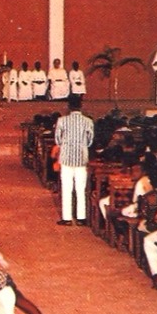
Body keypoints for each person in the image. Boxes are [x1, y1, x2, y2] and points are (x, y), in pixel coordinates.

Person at [54, 94, 96, 226]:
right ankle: (81, 217)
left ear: (68, 106)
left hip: (66, 158)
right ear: (81, 106)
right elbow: (90, 141)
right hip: (81, 158)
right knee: (80, 188)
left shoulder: (62, 121)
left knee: (66, 188)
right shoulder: (88, 121)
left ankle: (66, 218)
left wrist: (66, 145)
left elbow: (58, 140)